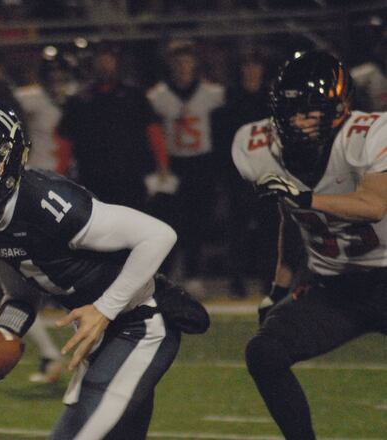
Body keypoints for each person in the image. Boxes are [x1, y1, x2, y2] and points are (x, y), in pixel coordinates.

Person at [0, 96, 208, 439]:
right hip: (100, 336)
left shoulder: (48, 203)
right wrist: (5, 334)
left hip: (141, 324)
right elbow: (20, 294)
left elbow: (158, 235)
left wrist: (105, 309)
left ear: (9, 157)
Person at [232, 50, 387, 440]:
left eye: (310, 111)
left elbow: (374, 206)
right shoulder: (256, 146)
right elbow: (292, 219)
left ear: (341, 106)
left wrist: (303, 198)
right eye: (290, 111)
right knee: (264, 354)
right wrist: (278, 289)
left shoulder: (369, 134)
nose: (298, 122)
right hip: (335, 287)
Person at [147, 40, 225, 284]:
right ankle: (165, 275)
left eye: (187, 60)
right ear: (170, 64)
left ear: (195, 63)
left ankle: (194, 273)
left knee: (198, 222)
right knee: (169, 224)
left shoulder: (212, 93)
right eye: (178, 61)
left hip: (201, 163)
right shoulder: (157, 96)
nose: (183, 66)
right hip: (172, 165)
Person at [58, 48, 170, 212]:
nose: (105, 65)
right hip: (92, 178)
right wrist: (61, 174)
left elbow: (153, 131)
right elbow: (66, 139)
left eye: (109, 60)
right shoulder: (79, 100)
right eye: (100, 60)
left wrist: (162, 165)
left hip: (130, 177)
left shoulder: (134, 96)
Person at [212, 47, 278, 298]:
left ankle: (268, 279)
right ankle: (236, 281)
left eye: (255, 66)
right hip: (238, 177)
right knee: (237, 232)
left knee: (270, 231)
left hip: (269, 177)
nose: (251, 71)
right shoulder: (231, 104)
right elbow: (223, 145)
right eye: (247, 66)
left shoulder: (273, 103)